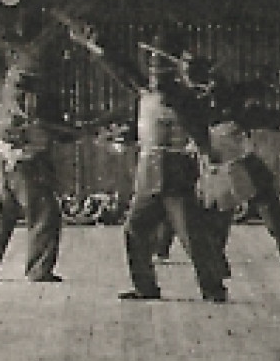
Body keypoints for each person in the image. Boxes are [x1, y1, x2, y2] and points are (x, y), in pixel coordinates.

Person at [66, 23, 229, 302]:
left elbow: (199, 131)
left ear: (171, 66)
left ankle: (214, 288)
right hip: (149, 172)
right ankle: (146, 287)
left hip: (174, 171)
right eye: (152, 63)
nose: (153, 69)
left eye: (159, 63)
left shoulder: (181, 96)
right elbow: (124, 71)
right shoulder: (152, 90)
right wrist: (96, 45)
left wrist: (208, 162)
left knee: (191, 234)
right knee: (136, 230)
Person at [179, 52, 280, 281]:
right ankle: (216, 268)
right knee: (216, 218)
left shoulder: (226, 95)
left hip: (242, 162)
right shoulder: (191, 101)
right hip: (218, 166)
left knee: (272, 215)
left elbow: (254, 109)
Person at [0, 33, 75, 284]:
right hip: (30, 163)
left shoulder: (2, 93)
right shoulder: (41, 95)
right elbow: (57, 129)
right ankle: (38, 270)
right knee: (44, 216)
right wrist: (75, 133)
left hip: (0, 162)